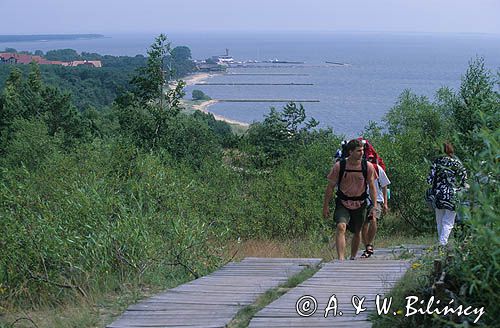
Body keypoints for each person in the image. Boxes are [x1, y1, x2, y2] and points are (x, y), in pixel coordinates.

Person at [323, 139, 378, 260]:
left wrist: (374, 206)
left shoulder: (367, 167)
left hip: (360, 203)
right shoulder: (339, 166)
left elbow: (372, 187)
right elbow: (330, 187)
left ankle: (352, 257)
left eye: (362, 150)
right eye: (358, 151)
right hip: (343, 203)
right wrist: (325, 206)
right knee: (341, 227)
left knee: (357, 231)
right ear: (350, 152)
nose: (362, 153)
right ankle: (341, 259)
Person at [427, 142, 467, 246]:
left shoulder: (436, 162)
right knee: (448, 222)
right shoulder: (456, 162)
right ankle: (442, 243)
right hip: (452, 195)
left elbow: (429, 179)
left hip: (438, 195)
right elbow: (464, 177)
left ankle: (441, 244)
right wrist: (460, 186)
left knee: (439, 221)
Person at [361, 155, 390, 258]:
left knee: (373, 219)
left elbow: (384, 185)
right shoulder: (358, 169)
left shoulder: (377, 168)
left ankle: (369, 244)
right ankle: (367, 246)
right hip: (362, 200)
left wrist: (385, 203)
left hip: (376, 199)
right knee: (364, 224)